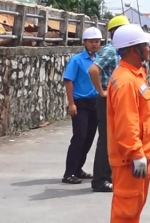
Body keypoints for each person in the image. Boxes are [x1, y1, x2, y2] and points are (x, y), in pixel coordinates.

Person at [107, 24, 150, 223]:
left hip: (137, 157)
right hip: (129, 160)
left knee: (134, 209)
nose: (149, 48)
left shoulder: (134, 75)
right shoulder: (126, 81)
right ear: (134, 49)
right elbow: (127, 121)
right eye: (145, 45)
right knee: (126, 212)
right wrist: (135, 153)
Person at [88, 14, 130, 193]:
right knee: (106, 139)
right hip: (106, 98)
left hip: (114, 98)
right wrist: (101, 91)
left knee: (113, 138)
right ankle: (99, 180)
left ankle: (109, 175)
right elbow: (93, 69)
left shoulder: (119, 51)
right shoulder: (111, 50)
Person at [62, 28, 102, 184]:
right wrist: (71, 103)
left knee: (89, 138)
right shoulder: (77, 60)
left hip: (95, 102)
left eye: (97, 41)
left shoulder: (99, 60)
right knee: (80, 137)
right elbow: (68, 81)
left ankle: (78, 168)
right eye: (91, 41)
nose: (94, 44)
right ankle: (69, 172)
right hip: (80, 103)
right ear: (85, 42)